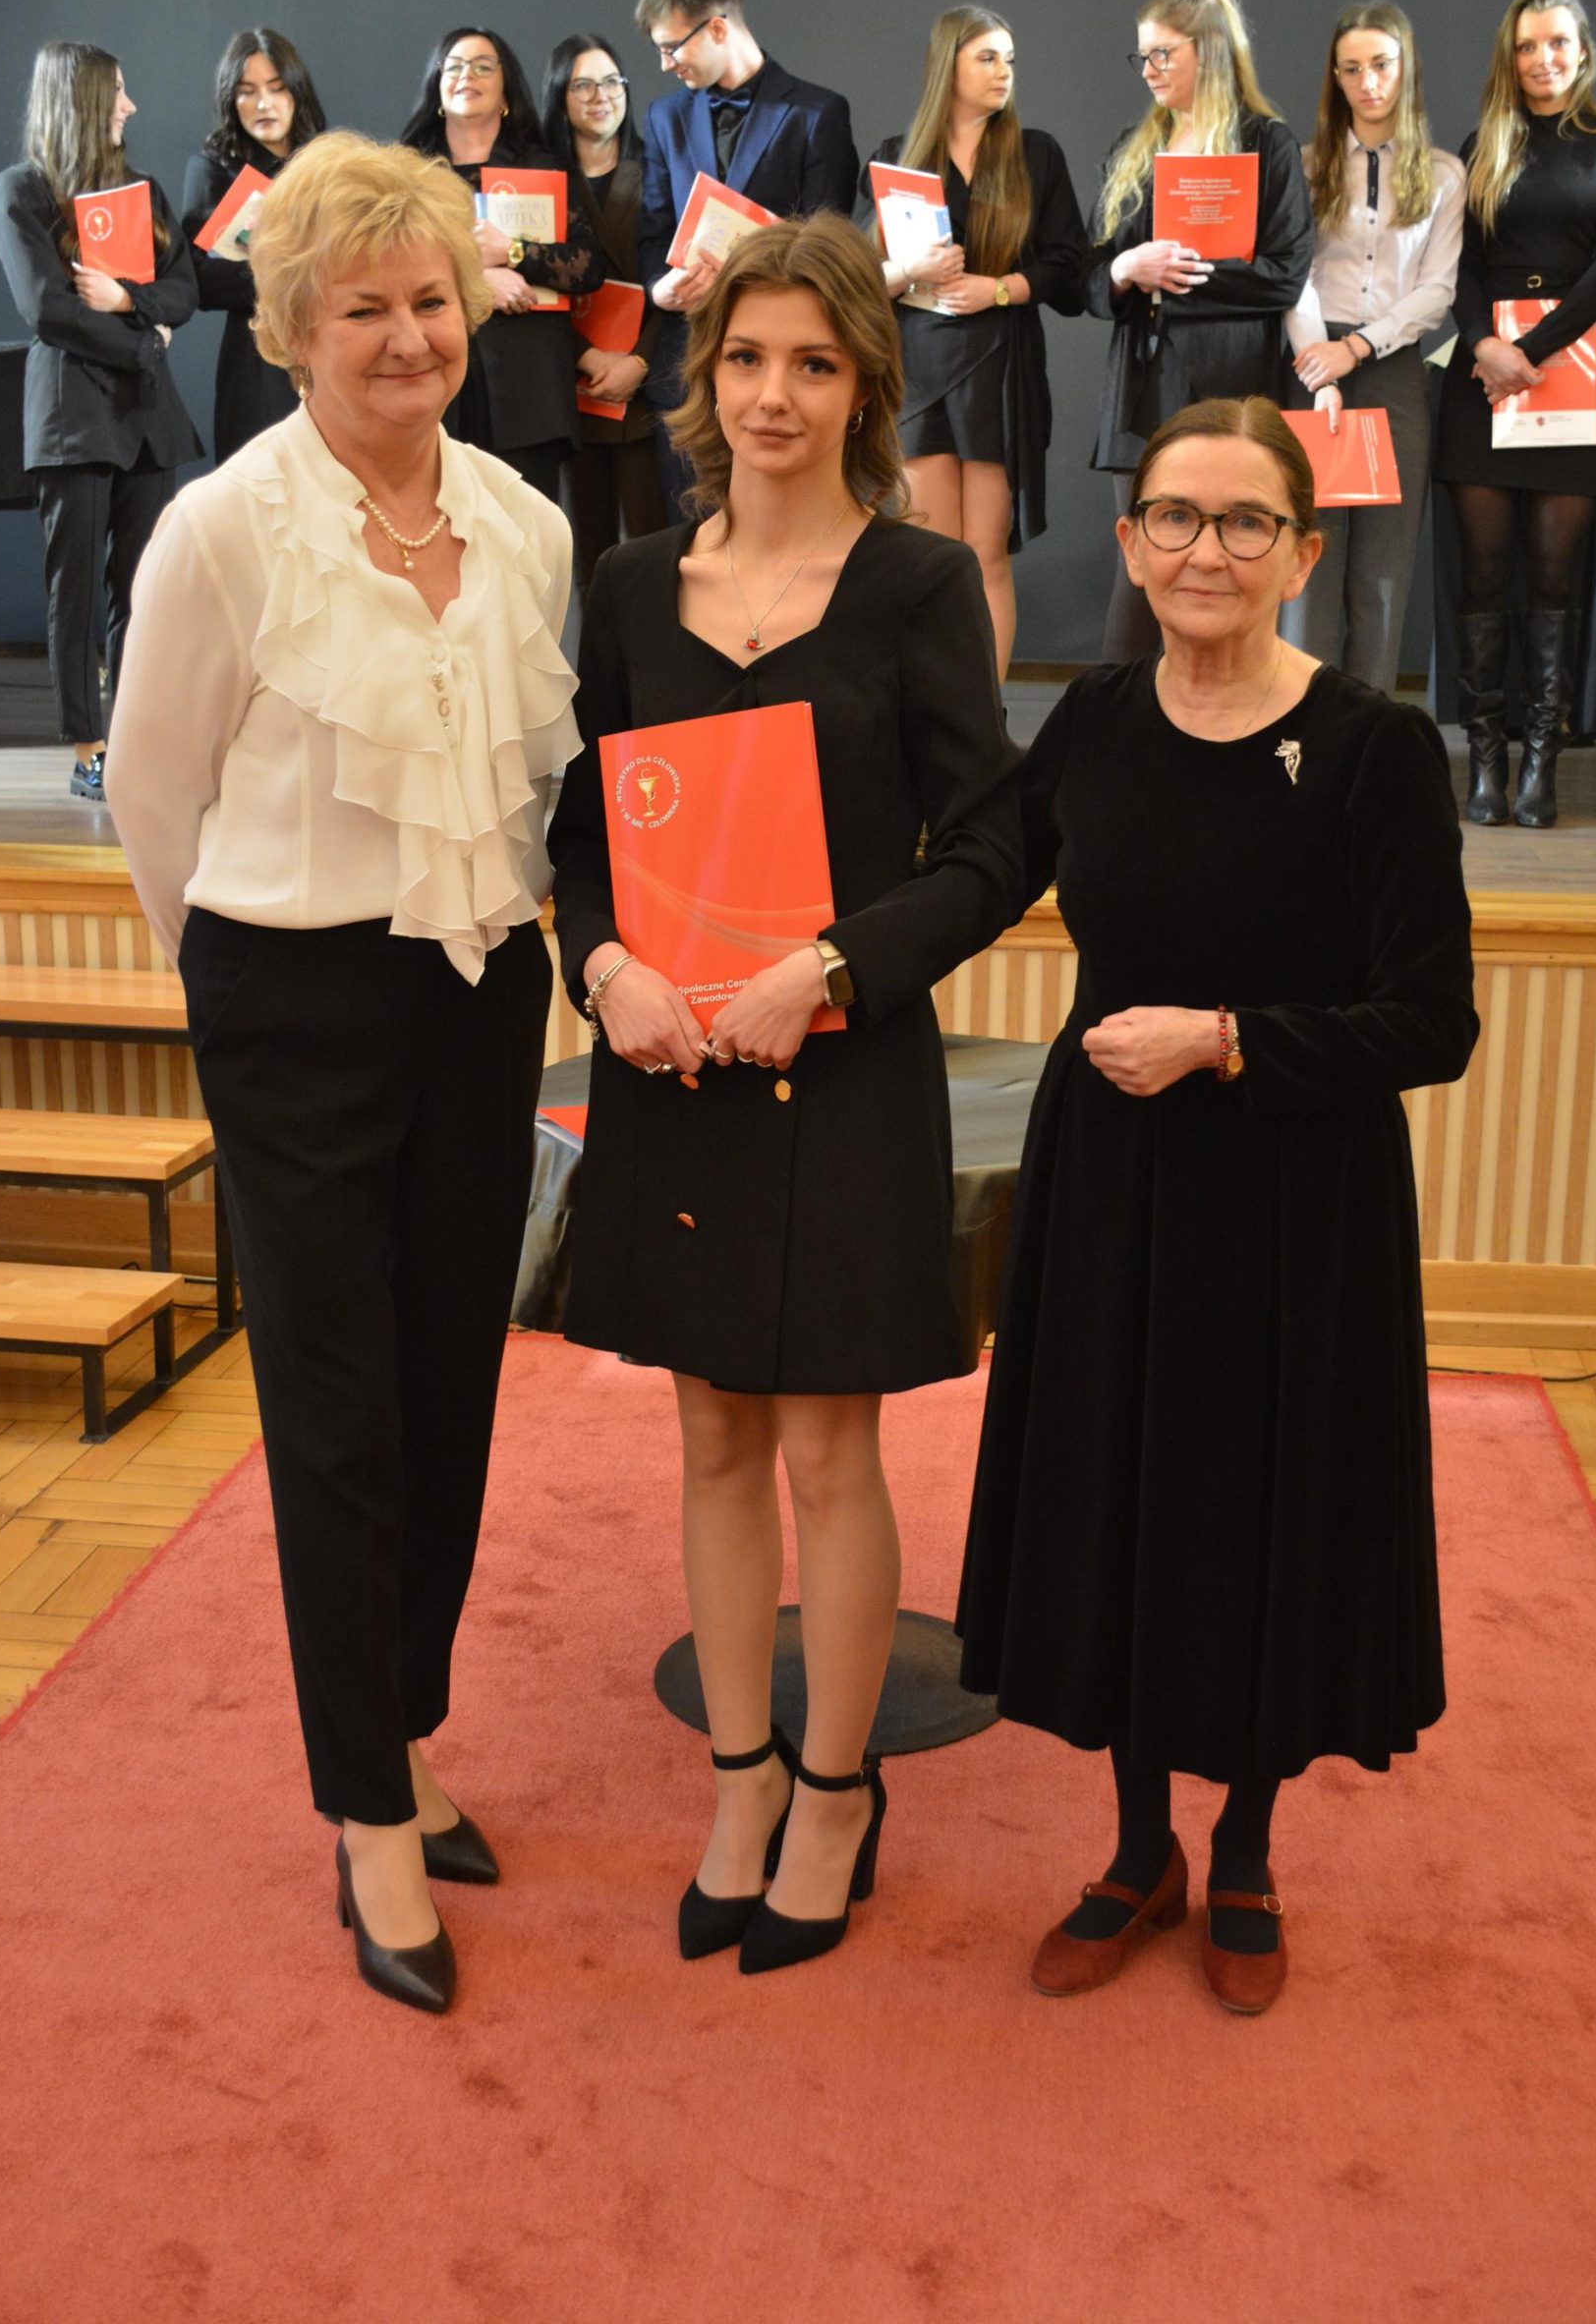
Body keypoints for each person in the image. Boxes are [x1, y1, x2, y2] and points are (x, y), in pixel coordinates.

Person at [106, 134, 581, 2016]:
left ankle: (405, 1728)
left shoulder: (527, 524)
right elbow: (155, 794)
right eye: (362, 307)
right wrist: (236, 987)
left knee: (450, 1382)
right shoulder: (225, 528)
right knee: (335, 1407)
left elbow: (531, 785)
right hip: (288, 997)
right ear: (293, 329)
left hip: (477, 994)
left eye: (430, 300)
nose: (406, 336)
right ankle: (365, 1814)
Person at [956, 396, 1477, 2016]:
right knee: (1114, 1492)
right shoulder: (1093, 718)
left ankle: (1242, 1848)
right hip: (1112, 1186)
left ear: (1302, 555)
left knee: (1260, 1512)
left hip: (1293, 1201)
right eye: (1175, 517)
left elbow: (1431, 1022)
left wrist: (1231, 1039)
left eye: (1245, 521)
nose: (1206, 550)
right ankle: (1137, 1851)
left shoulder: (1375, 750)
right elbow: (975, 871)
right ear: (1128, 544)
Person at [548, 214, 1022, 1977]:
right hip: (670, 1062)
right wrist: (601, 968)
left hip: (842, 1065)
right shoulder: (625, 588)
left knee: (828, 1445)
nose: (774, 394)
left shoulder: (916, 587)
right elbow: (577, 842)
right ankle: (738, 1779)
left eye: (813, 364)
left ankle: (834, 1791)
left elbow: (991, 851)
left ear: (863, 389)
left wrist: (825, 969)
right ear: (707, 376)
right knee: (709, 1434)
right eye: (746, 358)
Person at [1434, 0, 1596, 828]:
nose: (1542, 59)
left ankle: (1538, 765)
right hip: (1482, 381)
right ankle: (1486, 759)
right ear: (1509, 56)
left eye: (1556, 42)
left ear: (1581, 49)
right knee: (1484, 574)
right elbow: (1457, 266)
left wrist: (1528, 349)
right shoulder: (1481, 144)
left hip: (1574, 375)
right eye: (1526, 45)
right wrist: (1483, 344)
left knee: (1555, 578)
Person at [0, 41, 200, 800]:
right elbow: (47, 309)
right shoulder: (22, 191)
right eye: (117, 93)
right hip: (72, 415)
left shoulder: (139, 191)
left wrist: (126, 300)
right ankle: (90, 751)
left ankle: (135, 738)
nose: (130, 106)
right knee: (74, 591)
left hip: (144, 416)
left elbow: (184, 288)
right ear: (79, 99)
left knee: (141, 590)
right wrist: (144, 340)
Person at [1087, 0, 1314, 664]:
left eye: (1163, 53)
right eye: (1143, 55)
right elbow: (1089, 277)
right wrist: (1127, 270)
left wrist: (1176, 279)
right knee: (1142, 570)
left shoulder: (1265, 143)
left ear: (1209, 51)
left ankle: (1224, 716)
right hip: (1143, 383)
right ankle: (1118, 720)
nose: (1148, 69)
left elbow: (1285, 272)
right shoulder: (1133, 146)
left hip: (1233, 383)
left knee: (1227, 569)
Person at [858, 6, 1086, 678]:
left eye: (1009, 59)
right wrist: (909, 269)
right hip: (917, 368)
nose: (1003, 71)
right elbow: (853, 277)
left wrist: (1001, 288)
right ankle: (934, 711)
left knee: (985, 553)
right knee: (929, 559)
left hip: (998, 367)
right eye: (987, 57)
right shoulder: (893, 157)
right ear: (946, 66)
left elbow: (1069, 269)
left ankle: (983, 714)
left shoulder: (1035, 153)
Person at [633, 0, 859, 511]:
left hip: (781, 367)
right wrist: (661, 288)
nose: (664, 64)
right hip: (689, 359)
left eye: (672, 47)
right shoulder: (664, 117)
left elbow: (830, 246)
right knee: (688, 522)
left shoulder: (817, 113)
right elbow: (653, 230)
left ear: (716, 28)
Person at [1282, 1, 1463, 694]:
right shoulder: (1303, 168)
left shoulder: (1443, 175)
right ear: (1335, 76)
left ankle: (1368, 733)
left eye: (1381, 65)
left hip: (1390, 371)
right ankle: (1302, 728)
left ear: (1405, 69)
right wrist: (1320, 367)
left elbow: (1436, 291)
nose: (1368, 82)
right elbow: (1292, 277)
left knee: (1383, 572)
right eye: (1352, 68)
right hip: (1311, 368)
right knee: (1309, 562)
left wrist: (1355, 349)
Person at [402, 27, 603, 500]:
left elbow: (588, 267)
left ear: (506, 90)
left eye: (482, 67)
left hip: (529, 382)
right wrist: (475, 280)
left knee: (526, 531)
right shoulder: (408, 173)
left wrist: (514, 252)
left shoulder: (542, 166)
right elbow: (387, 267)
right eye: (454, 66)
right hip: (434, 373)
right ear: (437, 85)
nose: (466, 76)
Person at [541, 32, 666, 600]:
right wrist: (586, 357)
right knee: (588, 565)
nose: (601, 96)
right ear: (559, 96)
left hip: (648, 383)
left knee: (656, 552)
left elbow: (685, 278)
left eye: (612, 81)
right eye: (583, 85)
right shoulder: (541, 183)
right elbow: (527, 285)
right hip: (572, 386)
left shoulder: (660, 170)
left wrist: (640, 361)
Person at [182, 27, 327, 463]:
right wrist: (287, 270)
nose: (264, 103)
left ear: (297, 92)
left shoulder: (328, 163)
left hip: (330, 345)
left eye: (277, 88)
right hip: (256, 357)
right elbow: (199, 280)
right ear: (230, 100)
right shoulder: (214, 169)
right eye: (247, 92)